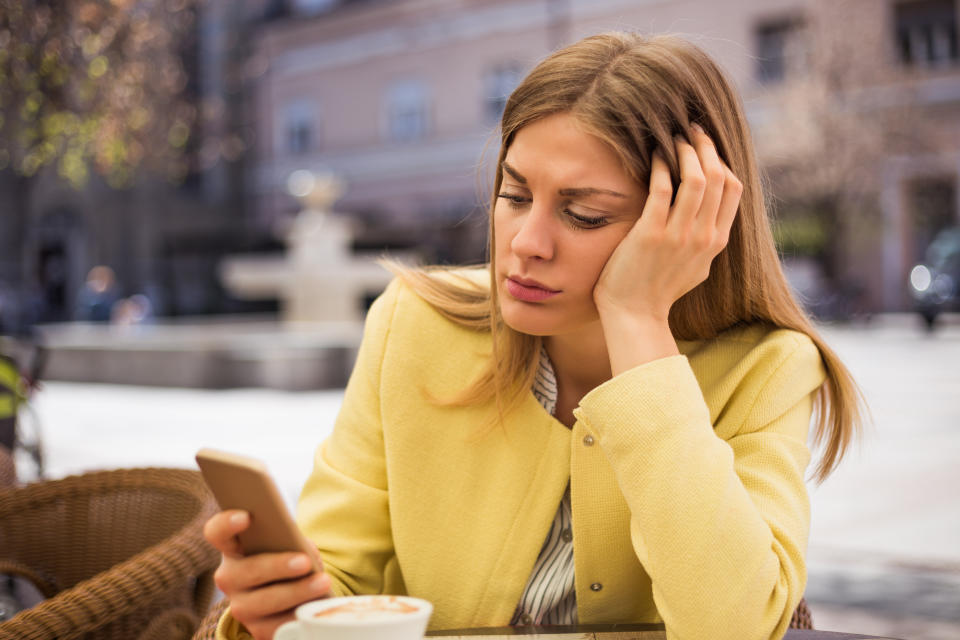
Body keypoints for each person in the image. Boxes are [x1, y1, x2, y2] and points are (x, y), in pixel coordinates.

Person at [204, 32, 863, 640]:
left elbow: (739, 625)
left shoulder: (767, 369)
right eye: (515, 195)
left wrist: (636, 323)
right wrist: (287, 609)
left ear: (693, 221)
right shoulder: (412, 324)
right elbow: (340, 576)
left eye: (583, 214)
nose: (526, 244)